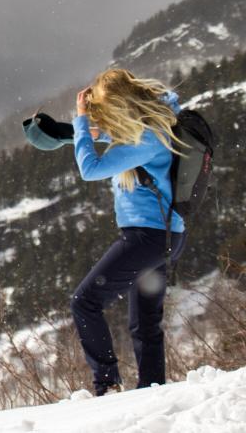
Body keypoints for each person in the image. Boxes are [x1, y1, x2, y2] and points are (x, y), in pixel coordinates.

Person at [69, 68, 187, 396]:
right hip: (166, 236)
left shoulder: (146, 140)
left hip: (146, 237)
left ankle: (106, 384)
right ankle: (152, 390)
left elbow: (90, 169)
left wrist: (80, 122)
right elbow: (115, 137)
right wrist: (79, 129)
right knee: (145, 322)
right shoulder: (156, 127)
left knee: (85, 302)